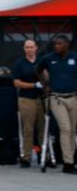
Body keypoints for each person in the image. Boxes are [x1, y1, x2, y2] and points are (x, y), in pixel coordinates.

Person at [40, 34, 77, 174]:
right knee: (65, 128)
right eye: (55, 44)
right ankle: (68, 162)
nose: (56, 46)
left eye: (59, 44)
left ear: (66, 45)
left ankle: (71, 161)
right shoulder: (49, 58)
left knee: (72, 130)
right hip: (57, 98)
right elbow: (38, 70)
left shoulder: (74, 57)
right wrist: (45, 85)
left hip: (73, 97)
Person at [11, 39, 45, 168]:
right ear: (24, 49)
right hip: (26, 99)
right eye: (27, 47)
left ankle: (45, 157)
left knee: (43, 129)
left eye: (31, 47)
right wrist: (33, 85)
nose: (29, 49)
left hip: (41, 99)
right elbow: (16, 83)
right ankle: (26, 157)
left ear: (36, 48)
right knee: (28, 129)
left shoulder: (42, 62)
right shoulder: (19, 64)